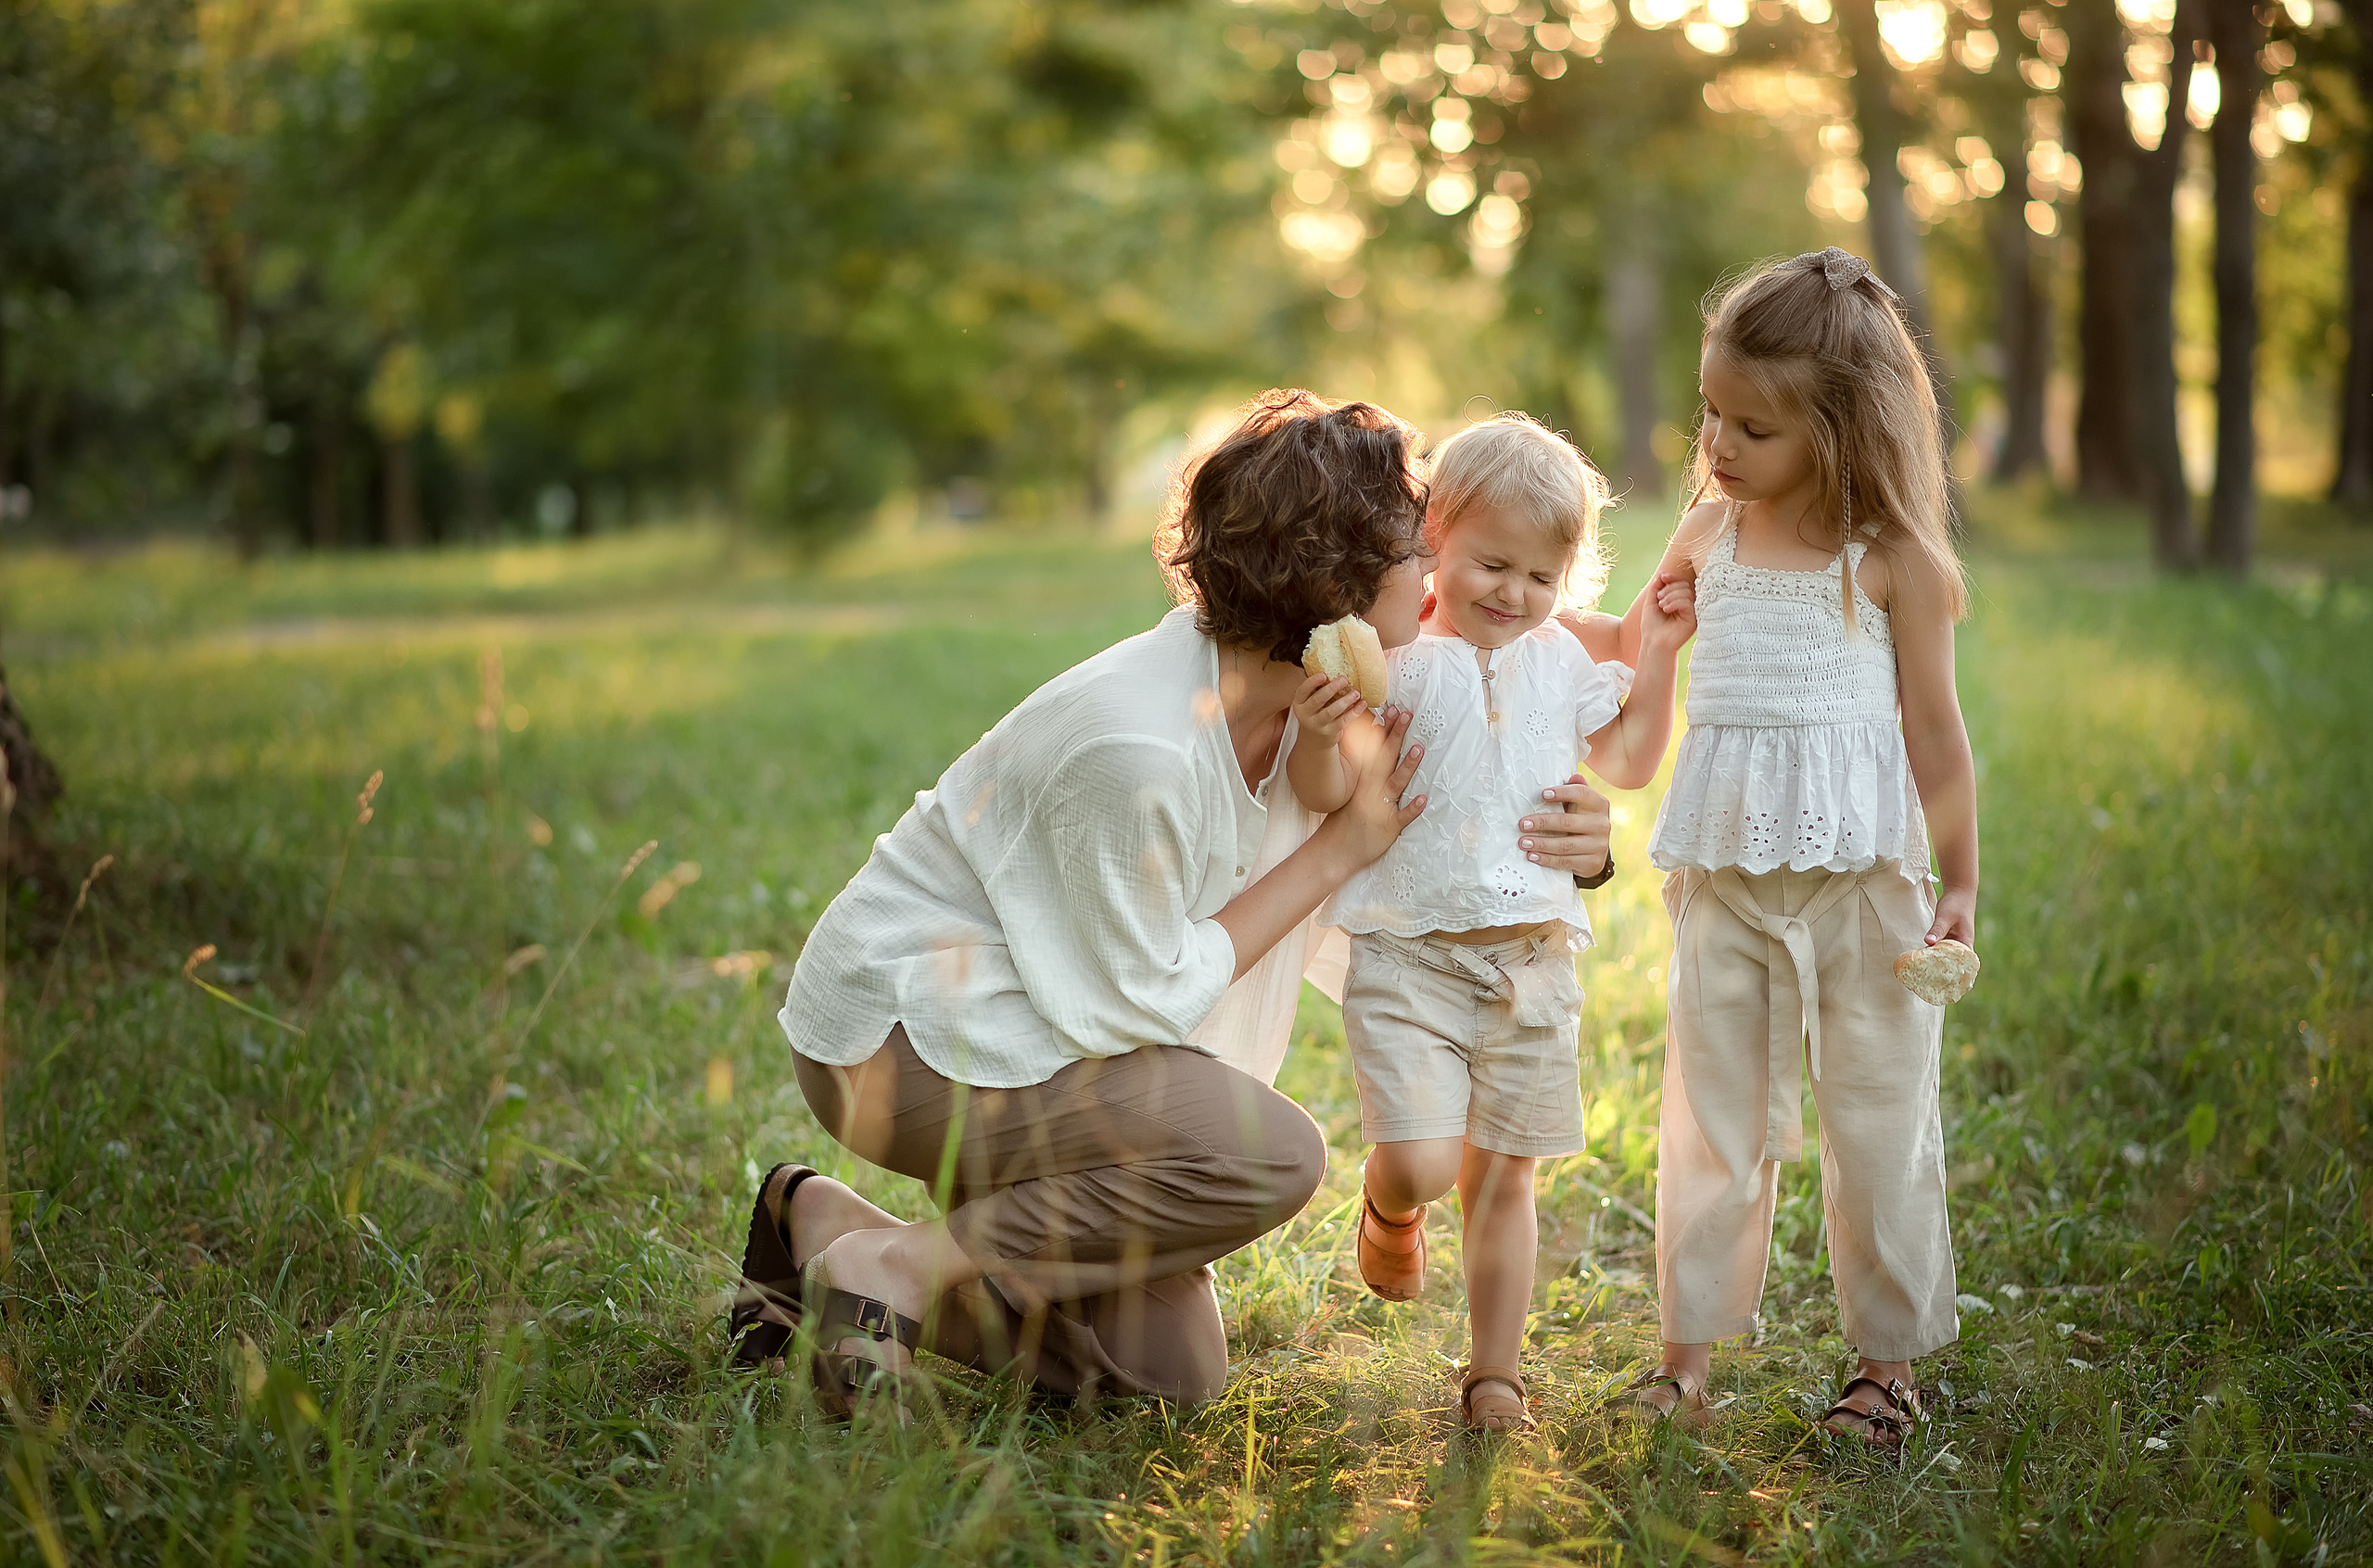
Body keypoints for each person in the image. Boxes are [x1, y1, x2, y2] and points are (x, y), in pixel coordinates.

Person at [727, 391, 1618, 1412]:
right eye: (1416, 553)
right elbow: (1140, 1002)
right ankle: (900, 1272)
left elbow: (1478, 798)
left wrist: (1586, 856)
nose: (1437, 575)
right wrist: (1339, 853)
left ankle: (825, 1232)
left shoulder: (1309, 694)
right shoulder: (1137, 749)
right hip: (911, 1040)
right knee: (1269, 1153)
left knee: (1160, 1382)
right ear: (1335, 588)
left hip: (1052, 1031)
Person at [1621, 248, 1979, 1448]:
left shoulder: (1892, 560)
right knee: (1709, 1123)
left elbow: (1935, 734)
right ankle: (1685, 1361)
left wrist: (1961, 880)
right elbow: (1636, 656)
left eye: (1753, 427)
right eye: (1710, 412)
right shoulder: (1705, 536)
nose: (1717, 444)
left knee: (1877, 1119)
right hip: (1725, 879)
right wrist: (1648, 643)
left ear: (1840, 429)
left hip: (1864, 888)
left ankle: (1886, 1366)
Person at [1284, 413, 1694, 1433]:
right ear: (1433, 542)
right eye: (1489, 564)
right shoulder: (1397, 662)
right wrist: (1320, 727)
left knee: (1506, 1176)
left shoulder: (1560, 662)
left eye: (1540, 577)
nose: (1512, 595)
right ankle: (1391, 1203)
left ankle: (1492, 1376)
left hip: (1532, 960)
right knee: (1428, 1160)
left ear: (1568, 579)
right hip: (1409, 952)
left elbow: (1631, 761)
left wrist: (1667, 655)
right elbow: (1325, 789)